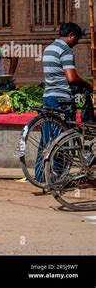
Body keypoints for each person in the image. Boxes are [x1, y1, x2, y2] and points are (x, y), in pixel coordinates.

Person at [34, 22, 93, 182]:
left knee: (47, 140)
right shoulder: (65, 50)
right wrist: (87, 84)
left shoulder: (48, 49)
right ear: (71, 36)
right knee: (61, 141)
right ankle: (57, 179)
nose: (75, 44)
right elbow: (71, 78)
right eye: (76, 40)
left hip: (48, 97)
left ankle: (40, 177)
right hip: (61, 100)